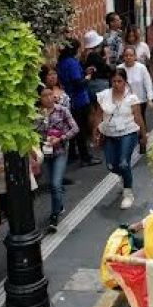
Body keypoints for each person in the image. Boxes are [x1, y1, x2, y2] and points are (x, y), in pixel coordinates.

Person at [93, 70, 148, 210]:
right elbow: (98, 115)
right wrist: (95, 132)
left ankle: (128, 193)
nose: (117, 84)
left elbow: (138, 117)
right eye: (114, 81)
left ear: (125, 82)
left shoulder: (132, 98)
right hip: (109, 133)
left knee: (124, 163)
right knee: (111, 165)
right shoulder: (103, 96)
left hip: (128, 132)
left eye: (120, 81)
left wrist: (143, 135)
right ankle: (124, 177)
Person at [36, 86, 78, 231]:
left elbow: (75, 128)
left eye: (50, 94)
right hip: (45, 153)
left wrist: (61, 138)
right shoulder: (36, 115)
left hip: (60, 151)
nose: (49, 98)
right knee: (52, 184)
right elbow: (32, 133)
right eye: (45, 96)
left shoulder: (62, 110)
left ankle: (54, 215)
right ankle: (59, 205)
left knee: (55, 184)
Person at [56, 39, 96, 165]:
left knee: (72, 128)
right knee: (81, 129)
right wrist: (87, 78)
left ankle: (72, 154)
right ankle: (85, 157)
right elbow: (77, 82)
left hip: (68, 99)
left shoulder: (60, 63)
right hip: (78, 99)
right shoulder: (71, 62)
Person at [117, 47, 153, 129]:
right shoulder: (119, 68)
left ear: (135, 56)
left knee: (140, 121)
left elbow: (148, 83)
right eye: (126, 55)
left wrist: (150, 98)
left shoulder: (141, 68)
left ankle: (142, 135)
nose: (128, 57)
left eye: (131, 55)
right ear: (123, 57)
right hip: (125, 101)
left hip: (140, 100)